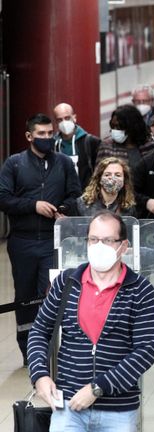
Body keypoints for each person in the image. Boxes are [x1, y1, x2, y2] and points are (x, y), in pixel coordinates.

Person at [27, 211, 154, 432]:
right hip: (68, 408)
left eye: (108, 240)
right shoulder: (66, 283)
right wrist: (39, 376)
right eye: (93, 239)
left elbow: (146, 351)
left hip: (117, 411)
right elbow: (40, 331)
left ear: (124, 246)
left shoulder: (141, 290)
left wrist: (98, 388)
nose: (99, 246)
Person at [0, 113, 81, 364]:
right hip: (22, 242)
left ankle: (50, 350)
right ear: (29, 136)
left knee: (49, 294)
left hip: (52, 241)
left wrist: (63, 211)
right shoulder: (13, 164)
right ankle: (28, 353)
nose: (46, 138)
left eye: (50, 133)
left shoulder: (65, 163)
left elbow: (76, 196)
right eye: (41, 134)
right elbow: (3, 198)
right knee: (24, 298)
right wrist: (33, 205)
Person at [97, 104, 154, 174]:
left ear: (131, 127)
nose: (115, 130)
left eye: (118, 126)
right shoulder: (107, 146)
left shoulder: (149, 145)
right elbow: (98, 174)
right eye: (113, 126)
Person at [53, 103, 100, 189]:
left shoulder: (91, 142)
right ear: (56, 122)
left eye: (67, 118)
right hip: (62, 197)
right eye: (60, 120)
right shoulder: (53, 145)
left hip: (85, 196)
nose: (64, 122)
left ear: (74, 117)